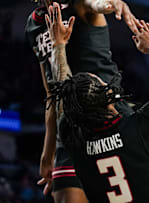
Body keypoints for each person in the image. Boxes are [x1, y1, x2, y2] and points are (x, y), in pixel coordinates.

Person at [45, 5, 149, 202]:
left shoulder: (73, 135)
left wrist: (58, 48)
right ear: (109, 94)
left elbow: (63, 94)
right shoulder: (143, 124)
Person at [25, 0, 139, 202]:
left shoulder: (80, 4)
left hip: (108, 113)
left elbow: (98, 4)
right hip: (71, 124)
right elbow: (52, 93)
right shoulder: (33, 25)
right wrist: (47, 153)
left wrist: (115, 3)